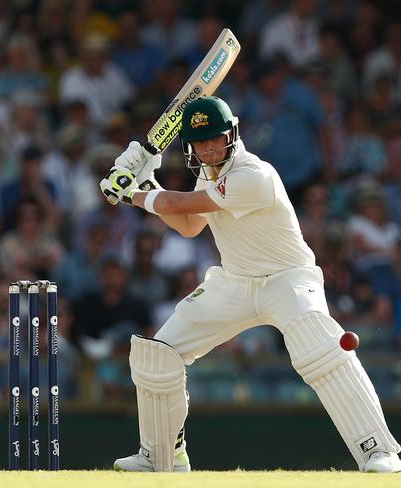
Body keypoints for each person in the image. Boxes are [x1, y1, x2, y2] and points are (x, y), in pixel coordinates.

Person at [99, 96, 401, 473]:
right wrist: (146, 184)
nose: (209, 148)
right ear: (190, 146)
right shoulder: (208, 172)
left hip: (287, 279)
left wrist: (132, 193)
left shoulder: (254, 175)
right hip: (234, 282)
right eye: (201, 142)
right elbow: (191, 224)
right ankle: (162, 458)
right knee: (158, 353)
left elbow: (178, 205)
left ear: (232, 134)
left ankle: (378, 450)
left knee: (319, 347)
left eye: (216, 138)